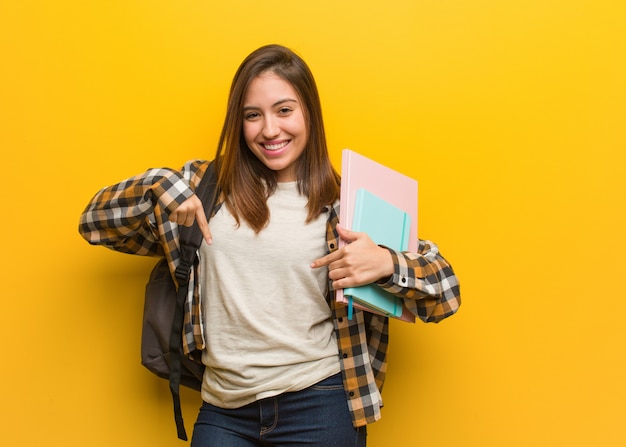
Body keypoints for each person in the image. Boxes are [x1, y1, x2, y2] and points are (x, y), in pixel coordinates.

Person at [79, 44, 461, 447]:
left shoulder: (346, 204)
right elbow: (93, 224)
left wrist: (385, 262)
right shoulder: (202, 189)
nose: (270, 130)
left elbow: (447, 294)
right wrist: (157, 186)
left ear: (309, 114)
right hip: (224, 408)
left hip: (321, 403)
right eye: (252, 115)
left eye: (284, 110)